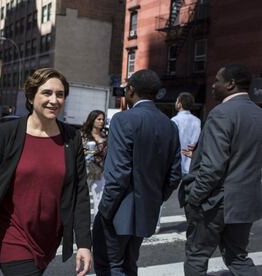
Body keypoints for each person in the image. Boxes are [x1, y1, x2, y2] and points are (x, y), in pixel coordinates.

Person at [0, 68, 92, 276]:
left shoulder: (71, 138)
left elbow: (80, 193)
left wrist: (84, 243)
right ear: (30, 96)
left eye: (60, 94)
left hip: (48, 238)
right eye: (47, 93)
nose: (54, 100)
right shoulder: (5, 134)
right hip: (11, 235)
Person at [92, 69, 181, 275]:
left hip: (117, 210)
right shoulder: (169, 125)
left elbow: (119, 173)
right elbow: (174, 175)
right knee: (129, 265)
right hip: (146, 209)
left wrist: (105, 210)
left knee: (110, 266)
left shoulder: (123, 120)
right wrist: (155, 198)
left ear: (131, 90)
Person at [179, 64, 262, 276]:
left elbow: (213, 168)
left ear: (231, 84)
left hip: (215, 203)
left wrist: (194, 198)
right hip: (246, 200)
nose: (213, 85)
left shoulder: (221, 113)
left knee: (197, 257)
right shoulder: (258, 114)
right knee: (238, 257)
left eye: (217, 80)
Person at [154, 92, 201, 234]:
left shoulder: (174, 120)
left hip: (174, 162)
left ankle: (155, 225)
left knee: (161, 194)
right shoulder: (197, 121)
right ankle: (194, 222)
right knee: (192, 196)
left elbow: (169, 142)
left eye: (176, 100)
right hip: (191, 163)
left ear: (179, 103)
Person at [81, 110, 107, 217]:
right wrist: (91, 152)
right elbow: (79, 153)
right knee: (81, 199)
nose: (101, 121)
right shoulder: (83, 135)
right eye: (98, 119)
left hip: (100, 172)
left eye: (102, 119)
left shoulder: (105, 136)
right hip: (85, 171)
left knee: (99, 200)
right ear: (92, 120)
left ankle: (96, 226)